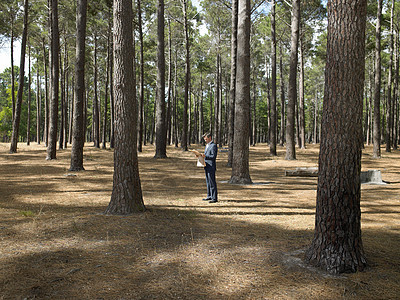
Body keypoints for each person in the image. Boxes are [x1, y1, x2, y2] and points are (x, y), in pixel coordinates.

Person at [200, 132, 218, 203]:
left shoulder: (213, 146)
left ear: (210, 138)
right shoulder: (207, 145)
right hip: (206, 165)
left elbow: (213, 157)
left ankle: (214, 198)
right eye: (204, 139)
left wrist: (205, 156)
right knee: (208, 182)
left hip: (211, 166)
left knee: (212, 182)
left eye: (206, 139)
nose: (205, 140)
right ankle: (209, 195)